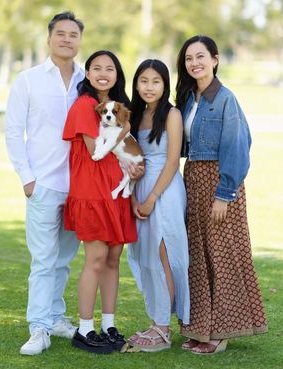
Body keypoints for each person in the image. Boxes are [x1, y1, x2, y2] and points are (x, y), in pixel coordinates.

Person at [175, 35, 268, 355]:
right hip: (194, 182)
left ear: (215, 59)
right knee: (198, 258)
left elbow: (238, 146)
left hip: (220, 185)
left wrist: (224, 194)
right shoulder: (188, 98)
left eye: (200, 56)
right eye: (189, 58)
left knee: (223, 257)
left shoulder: (226, 99)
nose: (194, 63)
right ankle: (200, 328)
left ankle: (224, 331)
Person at [5, 11, 85, 355]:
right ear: (49, 38)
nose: (67, 39)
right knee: (43, 260)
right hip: (43, 185)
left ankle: (55, 317)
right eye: (61, 34)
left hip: (80, 187)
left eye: (73, 35)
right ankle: (38, 328)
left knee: (64, 259)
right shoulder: (28, 80)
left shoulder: (88, 81)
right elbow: (12, 132)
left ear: (80, 41)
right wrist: (28, 180)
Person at [62, 50, 138, 354]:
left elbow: (125, 153)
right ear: (88, 73)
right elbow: (96, 148)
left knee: (112, 259)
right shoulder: (85, 106)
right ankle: (84, 329)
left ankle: (108, 324)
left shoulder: (119, 108)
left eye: (110, 68)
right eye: (96, 68)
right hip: (92, 192)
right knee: (94, 259)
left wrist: (136, 165)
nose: (103, 73)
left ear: (117, 74)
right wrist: (126, 130)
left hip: (115, 193)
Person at [125, 59, 190, 352]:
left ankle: (164, 329)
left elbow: (173, 161)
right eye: (143, 81)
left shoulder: (171, 114)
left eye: (156, 81)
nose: (149, 87)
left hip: (164, 190)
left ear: (165, 85)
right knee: (146, 256)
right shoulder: (136, 114)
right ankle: (156, 320)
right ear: (136, 84)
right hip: (139, 188)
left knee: (165, 255)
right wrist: (133, 195)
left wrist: (151, 198)